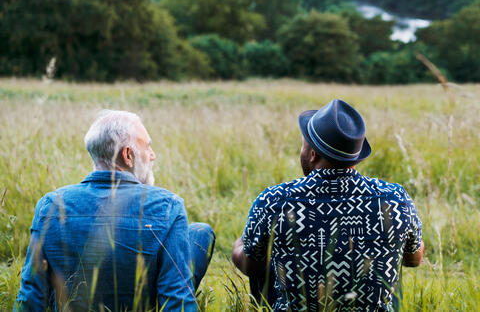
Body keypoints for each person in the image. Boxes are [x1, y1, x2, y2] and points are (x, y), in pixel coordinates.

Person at [232, 99, 424, 311]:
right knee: (388, 262)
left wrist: (241, 244)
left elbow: (250, 266)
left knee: (263, 256)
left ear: (313, 154)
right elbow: (414, 259)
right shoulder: (396, 199)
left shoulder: (275, 200)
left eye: (303, 145)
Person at [15, 110, 215, 311]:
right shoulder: (169, 205)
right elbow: (177, 301)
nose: (152, 155)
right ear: (128, 155)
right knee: (199, 233)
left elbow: (31, 296)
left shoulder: (50, 205)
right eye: (148, 146)